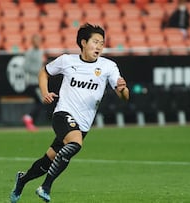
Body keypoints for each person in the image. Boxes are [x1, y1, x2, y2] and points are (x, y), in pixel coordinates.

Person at [10, 23, 130, 203]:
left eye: (102, 43)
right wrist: (45, 92)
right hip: (62, 114)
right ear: (83, 42)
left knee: (48, 159)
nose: (98, 46)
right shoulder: (67, 61)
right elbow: (44, 73)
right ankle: (46, 187)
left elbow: (124, 96)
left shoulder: (108, 67)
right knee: (75, 143)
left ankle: (23, 179)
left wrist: (122, 89)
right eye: (95, 42)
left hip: (83, 124)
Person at [22, 34, 45, 131]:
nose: (38, 42)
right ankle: (28, 117)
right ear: (32, 41)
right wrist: (38, 71)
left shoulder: (40, 51)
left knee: (38, 102)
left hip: (38, 81)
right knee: (41, 101)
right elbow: (25, 67)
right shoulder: (30, 52)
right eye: (36, 40)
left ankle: (30, 123)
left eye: (39, 40)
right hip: (32, 82)